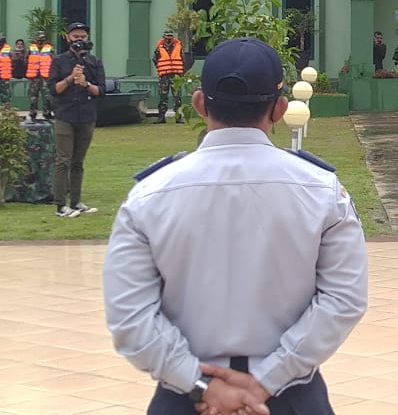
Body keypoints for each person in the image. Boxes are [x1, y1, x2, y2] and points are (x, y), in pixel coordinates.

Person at [104, 37, 368, 415]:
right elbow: (344, 299)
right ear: (279, 109)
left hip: (186, 399)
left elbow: (130, 316)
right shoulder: (322, 191)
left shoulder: (149, 195)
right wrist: (266, 381)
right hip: (290, 398)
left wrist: (201, 386)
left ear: (199, 103)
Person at [48, 21, 105, 218]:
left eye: (83, 36)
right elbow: (53, 89)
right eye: (75, 36)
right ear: (68, 38)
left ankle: (76, 202)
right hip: (65, 115)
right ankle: (60, 205)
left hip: (86, 116)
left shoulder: (94, 62)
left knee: (78, 162)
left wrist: (86, 84)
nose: (79, 40)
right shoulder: (59, 61)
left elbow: (101, 91)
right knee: (63, 160)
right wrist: (70, 78)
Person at [153, 29, 186, 124]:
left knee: (177, 97)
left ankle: (178, 117)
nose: (168, 38)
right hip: (164, 76)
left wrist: (181, 72)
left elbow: (183, 59)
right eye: (167, 36)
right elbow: (155, 59)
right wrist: (161, 68)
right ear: (164, 37)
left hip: (176, 75)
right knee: (163, 97)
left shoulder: (178, 47)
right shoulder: (159, 48)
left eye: (170, 36)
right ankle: (161, 117)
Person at [25, 30, 54, 122]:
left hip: (45, 77)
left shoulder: (50, 48)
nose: (40, 40)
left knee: (47, 96)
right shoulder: (31, 49)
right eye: (38, 38)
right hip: (33, 77)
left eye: (42, 38)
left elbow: (54, 62)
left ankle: (47, 113)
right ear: (35, 39)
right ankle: (33, 113)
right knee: (33, 97)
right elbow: (26, 61)